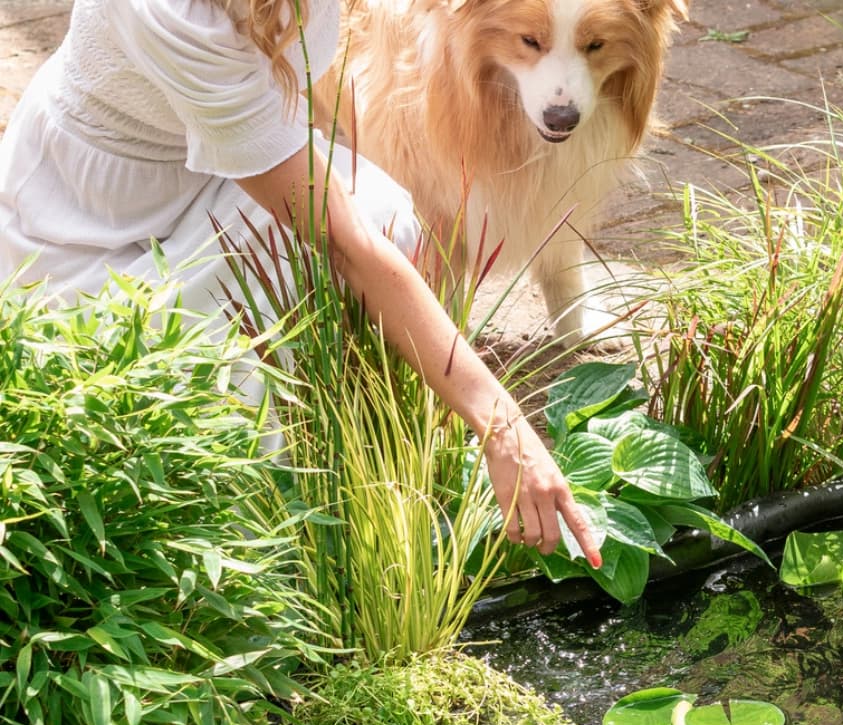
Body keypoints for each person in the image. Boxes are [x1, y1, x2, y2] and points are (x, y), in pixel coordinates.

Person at [0, 0, 604, 567]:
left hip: (212, 172)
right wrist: (500, 419)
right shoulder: (169, 12)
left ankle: (351, 472)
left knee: (389, 219)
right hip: (92, 229)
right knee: (334, 262)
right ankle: (256, 550)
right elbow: (342, 240)